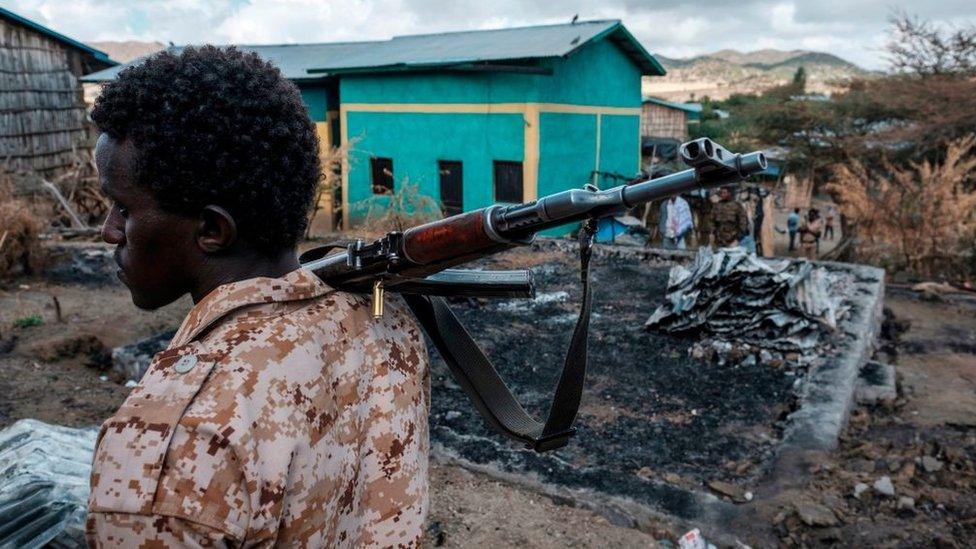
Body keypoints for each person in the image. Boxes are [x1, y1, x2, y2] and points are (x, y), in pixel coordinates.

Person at [86, 46, 429, 546]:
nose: (108, 232)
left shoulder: (170, 446)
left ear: (211, 230)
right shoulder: (388, 323)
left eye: (123, 209)